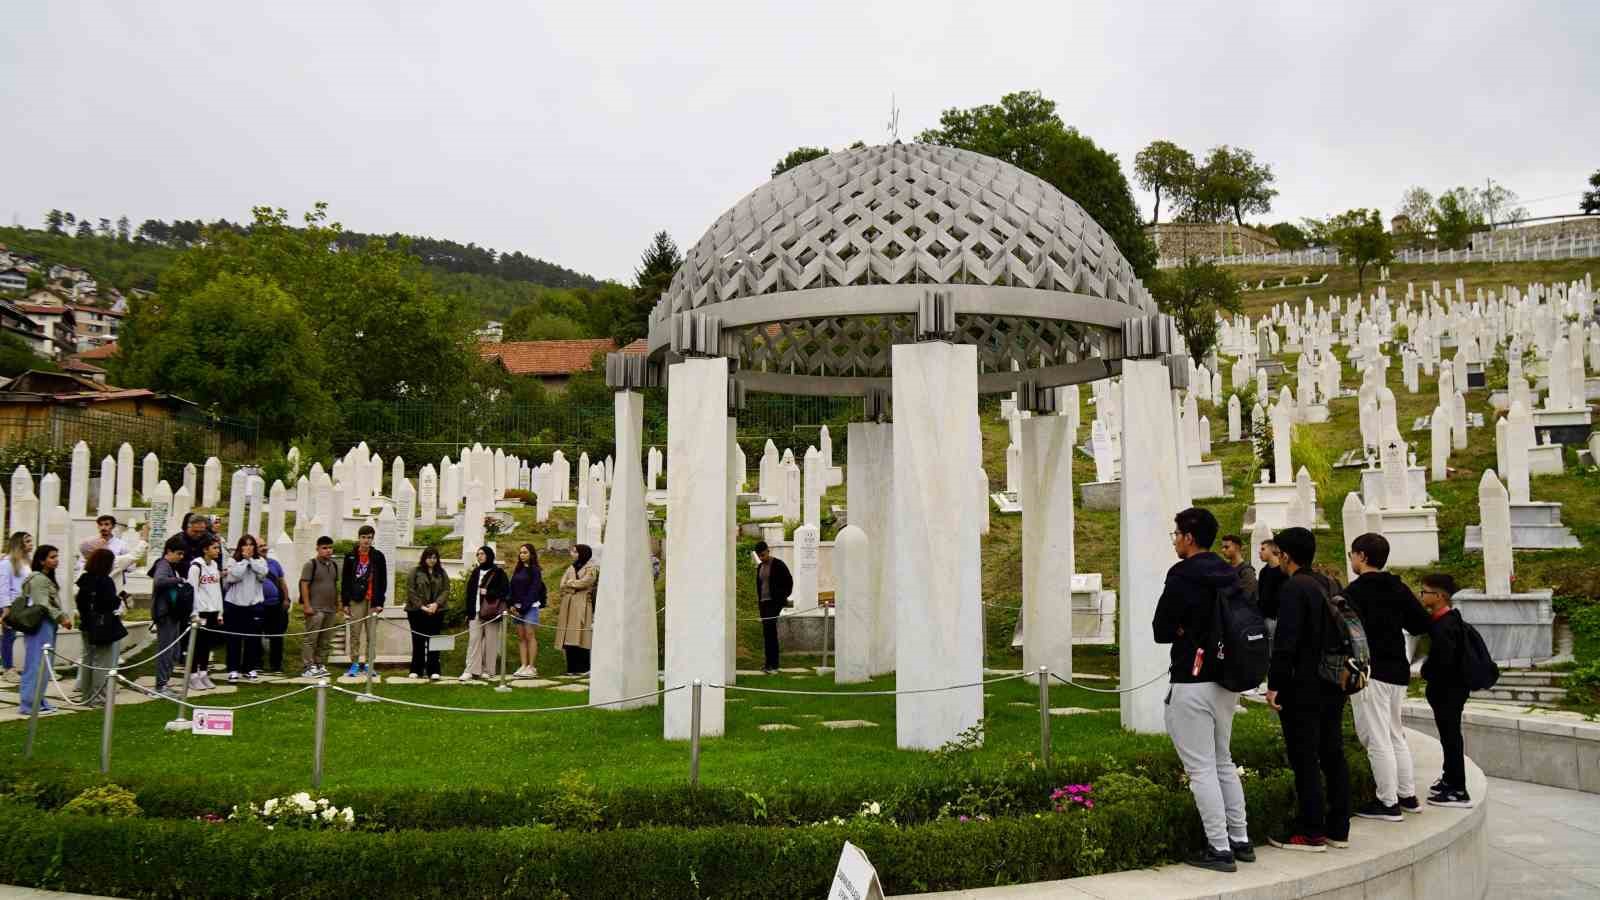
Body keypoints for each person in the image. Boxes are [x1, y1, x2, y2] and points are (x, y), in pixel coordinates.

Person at [1153, 507, 1253, 873]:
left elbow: (1161, 628)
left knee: (1200, 769)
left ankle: (1219, 847)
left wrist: (1182, 630)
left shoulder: (1182, 574)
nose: (1175, 540)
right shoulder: (1228, 572)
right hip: (1227, 677)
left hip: (1191, 680)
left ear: (1189, 537)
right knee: (1223, 760)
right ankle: (1240, 839)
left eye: (1176, 534)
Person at [1264, 527, 1350, 853]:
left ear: (1285, 555)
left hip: (1303, 685)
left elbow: (1286, 642)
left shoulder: (1294, 588)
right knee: (1333, 752)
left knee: (1304, 757)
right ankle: (1338, 828)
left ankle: (1310, 831)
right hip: (1333, 679)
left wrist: (1275, 686)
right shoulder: (1327, 582)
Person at [1344, 533, 1431, 821]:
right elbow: (1420, 622)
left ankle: (1387, 802)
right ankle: (1407, 795)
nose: (1351, 559)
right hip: (1398, 669)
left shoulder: (1354, 593)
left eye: (1353, 554)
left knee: (1377, 738)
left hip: (1371, 671)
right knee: (1395, 733)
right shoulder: (1398, 587)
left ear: (1363, 557)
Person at [1419, 574, 1474, 809]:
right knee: (1449, 737)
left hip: (1448, 691)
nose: (1421, 596)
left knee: (1451, 738)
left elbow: (1444, 663)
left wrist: (1425, 671)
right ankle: (1449, 778)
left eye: (1425, 592)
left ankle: (1458, 790)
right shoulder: (1449, 619)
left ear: (1440, 596)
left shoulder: (1445, 626)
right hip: (1451, 689)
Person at [16, 545, 71, 716]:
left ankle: (38, 700)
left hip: (47, 624)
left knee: (44, 665)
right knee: (36, 665)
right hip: (40, 625)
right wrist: (62, 617)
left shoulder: (46, 578)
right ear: (41, 560)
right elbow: (43, 604)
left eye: (56, 556)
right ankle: (28, 704)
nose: (56, 560)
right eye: (52, 557)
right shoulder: (39, 579)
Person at [340, 524, 387, 678]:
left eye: (369, 537)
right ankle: (354, 663)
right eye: (364, 537)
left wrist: (380, 602)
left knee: (371, 634)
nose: (366, 540)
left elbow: (383, 581)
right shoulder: (351, 556)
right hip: (356, 599)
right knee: (355, 632)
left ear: (373, 539)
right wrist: (345, 603)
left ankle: (369, 664)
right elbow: (345, 581)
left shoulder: (378, 556)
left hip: (372, 599)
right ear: (359, 538)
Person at [222, 534, 268, 683]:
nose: (248, 547)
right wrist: (244, 562)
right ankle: (233, 669)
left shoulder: (260, 560)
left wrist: (250, 561)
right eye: (245, 544)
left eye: (251, 545)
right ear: (240, 546)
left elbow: (262, 574)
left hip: (254, 605)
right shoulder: (232, 561)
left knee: (253, 639)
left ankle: (250, 668)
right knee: (234, 639)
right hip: (234, 605)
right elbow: (234, 576)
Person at [149, 535, 190, 698]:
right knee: (166, 650)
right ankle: (160, 686)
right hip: (164, 614)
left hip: (171, 614)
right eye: (178, 553)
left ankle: (164, 683)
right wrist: (179, 580)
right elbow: (159, 581)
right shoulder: (163, 565)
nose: (181, 557)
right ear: (168, 551)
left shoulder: (170, 565)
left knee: (174, 650)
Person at [461, 545, 508, 681]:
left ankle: (488, 670)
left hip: (491, 612)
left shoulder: (498, 572)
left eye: (482, 554)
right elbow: (469, 593)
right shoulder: (475, 572)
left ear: (489, 555)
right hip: (475, 612)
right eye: (478, 554)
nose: (479, 556)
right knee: (473, 641)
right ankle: (471, 670)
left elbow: (505, 591)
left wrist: (489, 593)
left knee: (491, 641)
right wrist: (468, 611)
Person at [186, 535, 224, 692]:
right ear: (205, 549)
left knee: (207, 645)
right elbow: (192, 590)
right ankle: (193, 676)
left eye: (218, 548)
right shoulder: (196, 567)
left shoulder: (214, 565)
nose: (218, 551)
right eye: (214, 548)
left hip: (213, 611)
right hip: (200, 612)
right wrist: (194, 613)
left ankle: (203, 673)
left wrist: (220, 612)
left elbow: (216, 590)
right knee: (197, 644)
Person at [406, 546, 450, 680]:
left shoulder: (441, 573)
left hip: (437, 611)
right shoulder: (415, 572)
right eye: (429, 557)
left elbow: (446, 590)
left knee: (435, 640)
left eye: (434, 557)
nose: (432, 560)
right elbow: (411, 591)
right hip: (417, 612)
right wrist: (422, 607)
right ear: (424, 558)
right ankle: (416, 669)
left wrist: (436, 604)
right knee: (418, 640)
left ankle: (434, 670)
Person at [299, 536, 340, 679]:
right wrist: (307, 605)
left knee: (325, 639)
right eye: (324, 548)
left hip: (330, 608)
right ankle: (307, 667)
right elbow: (304, 584)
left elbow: (334, 585)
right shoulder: (311, 565)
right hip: (315, 608)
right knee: (311, 638)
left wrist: (337, 603)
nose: (328, 550)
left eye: (330, 547)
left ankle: (319, 664)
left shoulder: (334, 565)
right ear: (317, 548)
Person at [555, 544, 598, 675]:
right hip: (568, 605)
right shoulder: (571, 567)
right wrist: (573, 585)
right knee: (569, 635)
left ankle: (584, 668)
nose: (572, 554)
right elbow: (562, 584)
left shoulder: (591, 568)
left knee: (582, 635)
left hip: (582, 604)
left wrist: (570, 584)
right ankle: (571, 668)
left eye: (575, 551)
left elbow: (586, 582)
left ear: (582, 553)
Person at [754, 541, 793, 675]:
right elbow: (759, 587)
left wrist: (782, 598)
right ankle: (768, 664)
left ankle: (774, 664)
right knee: (767, 634)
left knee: (771, 632)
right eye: (759, 556)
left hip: (774, 603)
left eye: (763, 555)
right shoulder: (759, 567)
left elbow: (789, 581)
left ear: (768, 551)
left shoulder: (778, 565)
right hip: (764, 604)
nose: (762, 558)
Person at [0, 531, 33, 684]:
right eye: (27, 541)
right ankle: (8, 668)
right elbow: (3, 586)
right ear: (19, 543)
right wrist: (5, 607)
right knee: (9, 636)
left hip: (26, 603)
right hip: (11, 604)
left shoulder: (27, 562)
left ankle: (33, 667)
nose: (30, 544)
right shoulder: (7, 562)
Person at [509, 543, 546, 678]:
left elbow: (534, 590)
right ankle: (523, 665)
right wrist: (512, 604)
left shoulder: (535, 570)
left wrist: (524, 608)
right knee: (521, 637)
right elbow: (511, 588)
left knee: (530, 635)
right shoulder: (518, 570)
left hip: (530, 607)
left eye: (525, 552)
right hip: (517, 608)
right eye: (521, 552)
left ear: (531, 554)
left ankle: (531, 666)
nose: (522, 555)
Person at [258, 546, 291, 674]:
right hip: (259, 605)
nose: (264, 548)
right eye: (260, 546)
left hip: (275, 605)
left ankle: (276, 666)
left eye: (264, 545)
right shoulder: (251, 564)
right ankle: (257, 664)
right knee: (256, 635)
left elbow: (282, 582)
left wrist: (286, 599)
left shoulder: (274, 563)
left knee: (277, 636)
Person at [1218, 534, 1258, 609]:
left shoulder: (1247, 571)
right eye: (1222, 547)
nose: (1223, 550)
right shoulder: (1224, 568)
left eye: (1226, 547)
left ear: (1237, 547)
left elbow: (1248, 598)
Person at [1257, 539, 1286, 622]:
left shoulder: (1284, 572)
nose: (1259, 552)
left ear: (1273, 550)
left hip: (1278, 618)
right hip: (1263, 617)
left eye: (1263, 549)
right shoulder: (1263, 571)